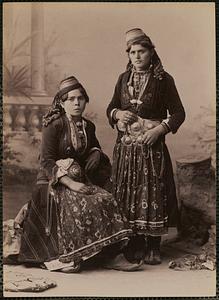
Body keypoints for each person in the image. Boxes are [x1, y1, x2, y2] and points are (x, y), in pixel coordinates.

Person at [18, 76, 142, 272]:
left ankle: (111, 255)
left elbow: (94, 148)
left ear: (85, 100)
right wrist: (70, 183)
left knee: (106, 199)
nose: (76, 103)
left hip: (80, 178)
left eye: (80, 98)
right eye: (70, 99)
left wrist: (95, 152)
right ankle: (70, 257)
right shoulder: (54, 125)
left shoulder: (88, 126)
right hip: (54, 182)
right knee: (79, 204)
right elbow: (46, 161)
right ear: (61, 102)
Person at [106, 28, 185, 265]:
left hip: (151, 150)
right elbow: (110, 108)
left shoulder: (164, 80)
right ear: (128, 55)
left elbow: (179, 113)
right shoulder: (122, 79)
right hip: (126, 149)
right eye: (132, 52)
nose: (137, 56)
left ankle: (153, 245)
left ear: (151, 53)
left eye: (142, 51)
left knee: (152, 193)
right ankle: (134, 242)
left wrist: (159, 130)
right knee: (128, 194)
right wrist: (118, 113)